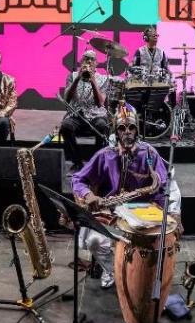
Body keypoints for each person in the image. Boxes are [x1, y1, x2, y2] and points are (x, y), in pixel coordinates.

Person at [71, 102, 177, 289]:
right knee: (94, 241)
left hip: (143, 213)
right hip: (112, 212)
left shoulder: (149, 153)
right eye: (122, 128)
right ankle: (111, 269)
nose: (127, 132)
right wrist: (88, 195)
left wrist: (170, 215)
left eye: (131, 127)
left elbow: (164, 187)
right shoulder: (105, 155)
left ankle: (141, 272)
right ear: (116, 131)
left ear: (137, 130)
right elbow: (77, 179)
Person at [59, 50, 110, 171]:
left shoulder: (103, 79)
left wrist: (93, 81)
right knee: (65, 127)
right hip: (76, 114)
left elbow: (100, 103)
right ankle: (77, 161)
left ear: (96, 63)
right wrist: (77, 78)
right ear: (81, 61)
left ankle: (95, 161)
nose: (89, 61)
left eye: (92, 59)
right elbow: (67, 99)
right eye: (86, 58)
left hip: (96, 115)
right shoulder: (72, 76)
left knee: (102, 126)